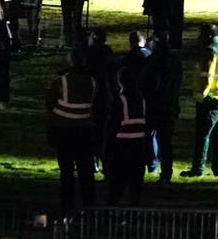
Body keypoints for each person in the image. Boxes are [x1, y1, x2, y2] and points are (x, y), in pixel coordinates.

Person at [46, 48, 96, 212]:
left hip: (64, 129)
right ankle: (88, 202)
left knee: (66, 170)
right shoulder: (91, 80)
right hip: (84, 129)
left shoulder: (61, 81)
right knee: (85, 169)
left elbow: (50, 102)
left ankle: (67, 202)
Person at [181, 24, 218, 178]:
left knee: (203, 134)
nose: (198, 38)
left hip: (211, 98)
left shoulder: (210, 51)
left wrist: (200, 95)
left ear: (208, 36)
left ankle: (198, 169)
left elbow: (206, 76)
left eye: (200, 35)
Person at [140, 30, 181, 183]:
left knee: (149, 136)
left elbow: (146, 82)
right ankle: (166, 172)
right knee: (166, 142)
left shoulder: (154, 61)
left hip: (155, 105)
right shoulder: (175, 61)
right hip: (170, 105)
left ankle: (151, 165)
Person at [106, 66, 148, 206]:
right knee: (135, 186)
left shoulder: (120, 100)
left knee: (117, 183)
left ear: (120, 81)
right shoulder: (141, 98)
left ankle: (110, 213)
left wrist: (107, 150)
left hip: (122, 146)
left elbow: (113, 125)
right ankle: (134, 214)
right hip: (139, 146)